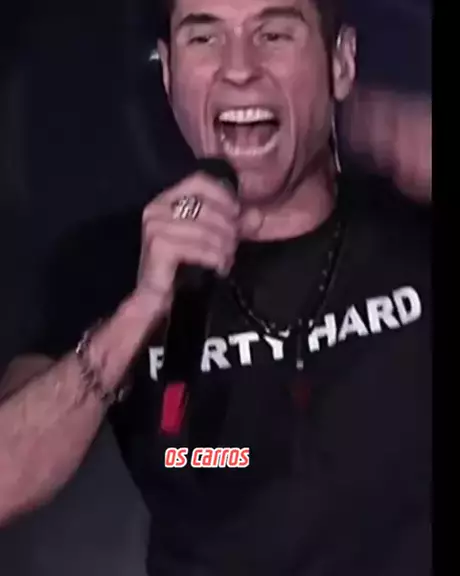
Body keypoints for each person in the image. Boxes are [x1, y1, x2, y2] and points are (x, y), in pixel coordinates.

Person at [0, 0, 431, 574]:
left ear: (341, 63)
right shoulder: (110, 262)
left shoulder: (412, 225)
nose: (239, 68)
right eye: (204, 38)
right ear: (169, 74)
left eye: (274, 34)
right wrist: (139, 312)